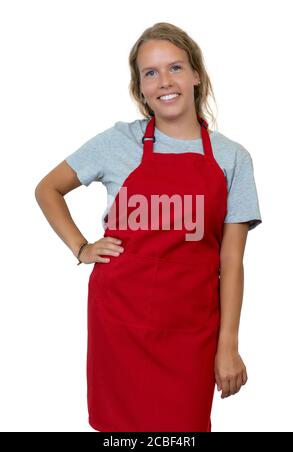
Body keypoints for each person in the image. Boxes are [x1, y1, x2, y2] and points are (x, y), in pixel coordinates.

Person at [35, 22, 262, 432]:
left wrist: (227, 343)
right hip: (119, 322)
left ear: (196, 74)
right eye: (150, 73)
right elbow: (48, 189)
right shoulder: (117, 142)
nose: (164, 81)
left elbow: (232, 260)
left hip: (191, 329)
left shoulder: (232, 158)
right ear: (140, 88)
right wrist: (81, 247)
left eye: (175, 67)